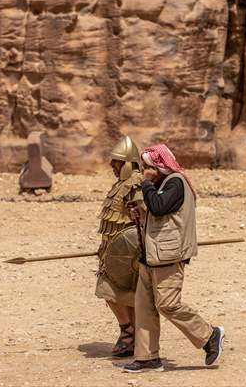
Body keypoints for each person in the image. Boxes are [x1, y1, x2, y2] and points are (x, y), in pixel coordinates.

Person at [123, 144, 224, 373]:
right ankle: (147, 358)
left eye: (148, 167)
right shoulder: (161, 185)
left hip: (168, 256)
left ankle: (209, 335)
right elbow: (158, 215)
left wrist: (146, 184)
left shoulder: (176, 182)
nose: (145, 171)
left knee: (167, 304)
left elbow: (159, 207)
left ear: (158, 166)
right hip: (150, 256)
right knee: (144, 308)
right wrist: (139, 213)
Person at [96, 136, 145, 357]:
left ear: (127, 162)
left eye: (116, 161)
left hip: (127, 256)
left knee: (109, 290)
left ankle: (128, 333)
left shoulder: (135, 184)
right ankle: (132, 338)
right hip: (115, 253)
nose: (111, 165)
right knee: (124, 294)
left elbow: (143, 218)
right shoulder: (121, 185)